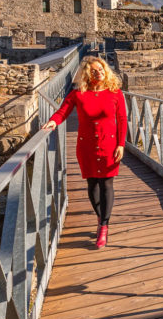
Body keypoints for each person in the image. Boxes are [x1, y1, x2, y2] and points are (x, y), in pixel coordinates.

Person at [41, 56, 127, 248]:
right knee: (92, 186)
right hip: (86, 145)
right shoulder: (78, 94)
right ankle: (100, 217)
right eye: (95, 70)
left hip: (109, 146)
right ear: (88, 73)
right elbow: (63, 111)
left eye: (102, 69)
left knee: (106, 184)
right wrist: (54, 122)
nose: (100, 73)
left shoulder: (115, 93)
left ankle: (104, 227)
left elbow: (122, 119)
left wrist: (121, 144)